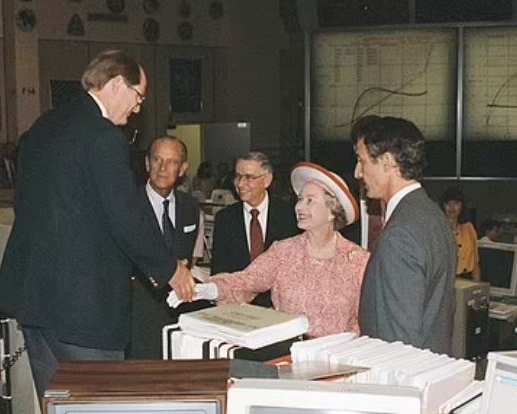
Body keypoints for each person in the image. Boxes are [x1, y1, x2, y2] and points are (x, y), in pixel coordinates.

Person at [0, 50, 194, 399]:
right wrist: (170, 268)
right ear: (116, 85)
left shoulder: (43, 127)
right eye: (138, 97)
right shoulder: (103, 137)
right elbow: (125, 217)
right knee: (100, 405)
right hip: (83, 310)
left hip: (36, 299)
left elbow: (27, 204)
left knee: (56, 405)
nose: (138, 109)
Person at [171, 162, 369, 338]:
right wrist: (208, 289)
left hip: (342, 362)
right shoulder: (283, 252)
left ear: (332, 211)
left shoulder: (358, 261)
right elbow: (246, 281)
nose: (299, 206)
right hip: (290, 358)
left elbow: (369, 318)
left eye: (310, 200)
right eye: (299, 199)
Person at [352, 115, 457, 355]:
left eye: (362, 160)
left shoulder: (398, 237)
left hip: (405, 380)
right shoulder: (434, 216)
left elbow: (399, 345)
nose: (358, 172)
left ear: (387, 162)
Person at [128, 136, 206, 359]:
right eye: (157, 160)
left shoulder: (190, 206)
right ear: (146, 164)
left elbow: (189, 260)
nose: (162, 168)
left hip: (180, 315)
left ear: (182, 168)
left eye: (171, 162)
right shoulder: (128, 205)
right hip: (138, 315)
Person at [210, 151, 299, 307]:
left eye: (249, 177)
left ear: (267, 180)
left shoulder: (289, 216)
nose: (240, 184)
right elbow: (219, 270)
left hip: (279, 308)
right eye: (237, 176)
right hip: (238, 308)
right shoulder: (225, 219)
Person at [441, 186, 481, 281]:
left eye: (456, 203)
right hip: (446, 281)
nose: (452, 208)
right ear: (443, 206)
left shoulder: (469, 228)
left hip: (468, 280)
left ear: (462, 206)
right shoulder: (437, 230)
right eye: (448, 203)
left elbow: (475, 262)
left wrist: (478, 287)